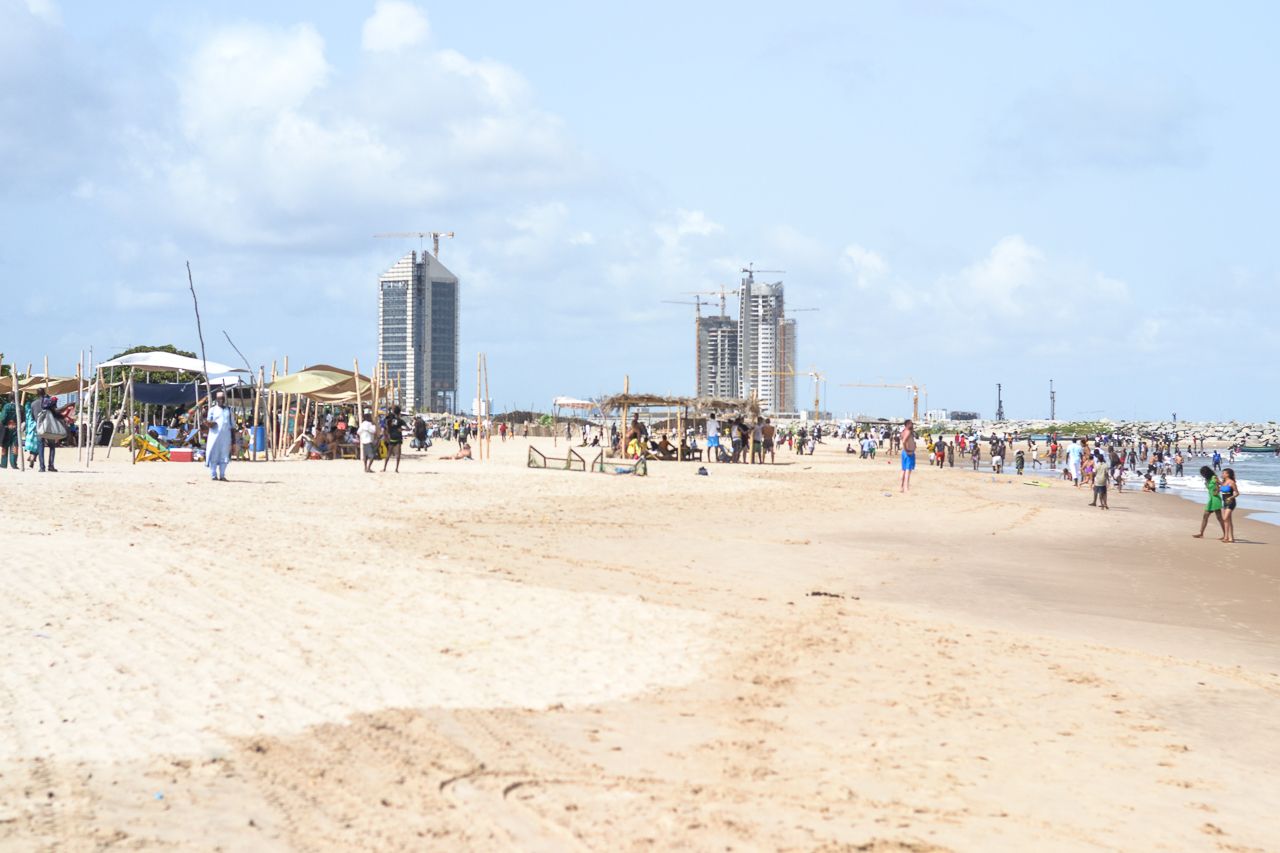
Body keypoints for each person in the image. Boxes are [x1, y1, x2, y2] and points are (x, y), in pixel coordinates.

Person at [202, 390, 233, 481]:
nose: (221, 400)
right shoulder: (212, 410)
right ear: (216, 399)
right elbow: (207, 422)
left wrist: (233, 440)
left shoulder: (229, 410)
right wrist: (210, 423)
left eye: (223, 398)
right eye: (219, 398)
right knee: (214, 455)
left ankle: (222, 475)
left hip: (226, 437)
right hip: (214, 437)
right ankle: (213, 475)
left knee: (224, 456)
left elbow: (232, 425)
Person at [1192, 465, 1225, 540]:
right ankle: (1201, 533)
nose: (1202, 475)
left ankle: (1225, 534)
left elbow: (1223, 485)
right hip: (1210, 500)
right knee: (1205, 516)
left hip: (1216, 499)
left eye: (1203, 474)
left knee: (1219, 518)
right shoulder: (1207, 480)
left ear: (1206, 473)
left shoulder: (1214, 477)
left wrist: (1218, 490)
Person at [382, 406, 408, 473]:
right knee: (398, 453)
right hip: (398, 437)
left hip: (392, 437)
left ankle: (384, 468)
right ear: (399, 412)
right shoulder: (400, 420)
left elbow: (386, 425)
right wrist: (401, 429)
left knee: (389, 453)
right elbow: (408, 428)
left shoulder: (390, 419)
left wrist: (387, 434)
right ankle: (396, 469)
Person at [1219, 467, 1238, 543]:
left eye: (1224, 473)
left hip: (1231, 502)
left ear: (1228, 474)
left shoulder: (1231, 482)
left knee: (1225, 518)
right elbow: (1219, 489)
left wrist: (1231, 497)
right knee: (1227, 520)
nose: (1222, 474)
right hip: (1224, 502)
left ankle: (1229, 537)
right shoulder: (1223, 483)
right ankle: (1229, 537)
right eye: (1222, 473)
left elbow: (1237, 493)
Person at [0, 393, 18, 469]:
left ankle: (4, 464)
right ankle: (14, 464)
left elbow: (3, 418)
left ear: (9, 398)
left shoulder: (6, 407)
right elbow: (23, 419)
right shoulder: (20, 407)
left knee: (5, 446)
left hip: (6, 429)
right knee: (14, 446)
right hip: (16, 428)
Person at [899, 418, 916, 493]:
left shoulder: (904, 431)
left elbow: (903, 439)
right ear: (907, 425)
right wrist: (907, 449)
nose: (912, 425)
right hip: (908, 453)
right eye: (911, 423)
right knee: (907, 471)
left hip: (905, 452)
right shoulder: (908, 432)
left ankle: (901, 487)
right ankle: (906, 488)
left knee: (903, 470)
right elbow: (904, 441)